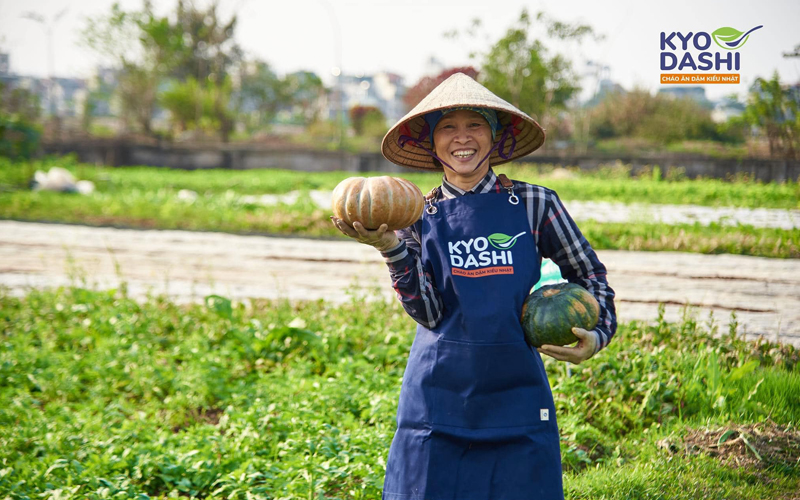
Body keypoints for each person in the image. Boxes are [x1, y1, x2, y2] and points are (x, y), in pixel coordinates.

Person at [331, 73, 616, 500]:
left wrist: (596, 335)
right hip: (436, 401)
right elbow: (428, 312)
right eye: (448, 126)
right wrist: (391, 247)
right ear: (431, 142)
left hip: (515, 397)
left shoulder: (536, 203)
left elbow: (589, 275)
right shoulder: (414, 215)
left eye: (475, 125)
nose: (461, 138)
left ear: (495, 136)